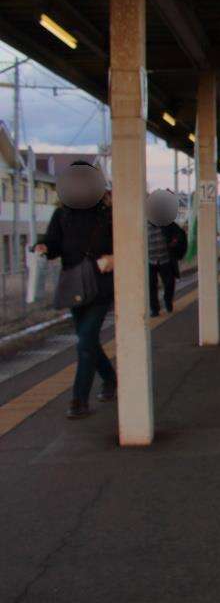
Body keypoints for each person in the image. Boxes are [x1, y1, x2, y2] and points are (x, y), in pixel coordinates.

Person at [35, 161, 115, 419]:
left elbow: (128, 243)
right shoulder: (62, 215)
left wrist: (114, 258)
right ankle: (111, 379)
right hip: (74, 284)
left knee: (85, 340)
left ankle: (79, 399)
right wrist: (43, 247)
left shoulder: (108, 214)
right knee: (87, 340)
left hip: (101, 284)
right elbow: (53, 242)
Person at [146, 189, 187, 317]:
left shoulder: (167, 222)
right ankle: (154, 309)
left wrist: (175, 243)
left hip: (166, 259)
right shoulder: (142, 225)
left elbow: (180, 235)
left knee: (169, 283)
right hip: (149, 260)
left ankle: (168, 300)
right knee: (151, 286)